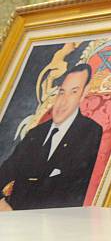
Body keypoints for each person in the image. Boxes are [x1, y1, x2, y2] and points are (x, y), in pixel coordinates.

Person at [0, 63, 103, 210]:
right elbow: (5, 171)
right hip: (12, 220)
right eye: (62, 92)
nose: (63, 101)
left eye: (73, 92)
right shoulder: (35, 133)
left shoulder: (89, 132)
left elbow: (70, 193)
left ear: (83, 93)